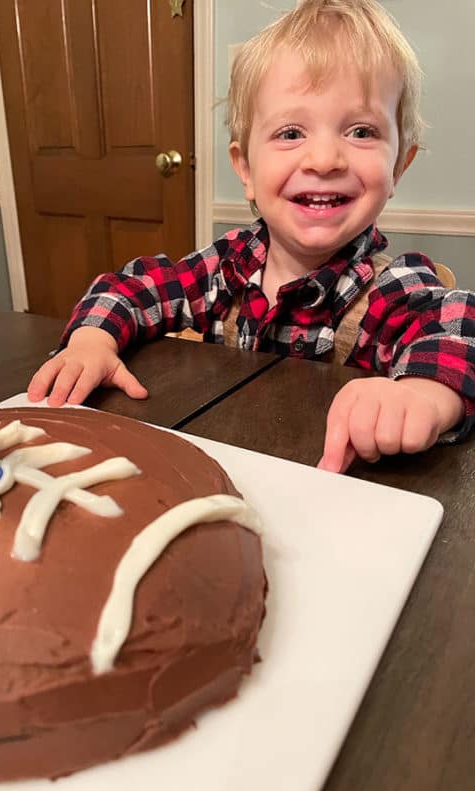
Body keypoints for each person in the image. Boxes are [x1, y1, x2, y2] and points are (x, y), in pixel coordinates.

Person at [27, 0, 475, 473]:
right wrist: (91, 342)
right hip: (230, 468)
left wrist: (424, 395)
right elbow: (133, 288)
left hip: (338, 491)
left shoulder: (390, 288)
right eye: (290, 133)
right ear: (246, 169)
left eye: (361, 131)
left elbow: (456, 327)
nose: (324, 159)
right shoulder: (225, 267)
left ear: (399, 165)